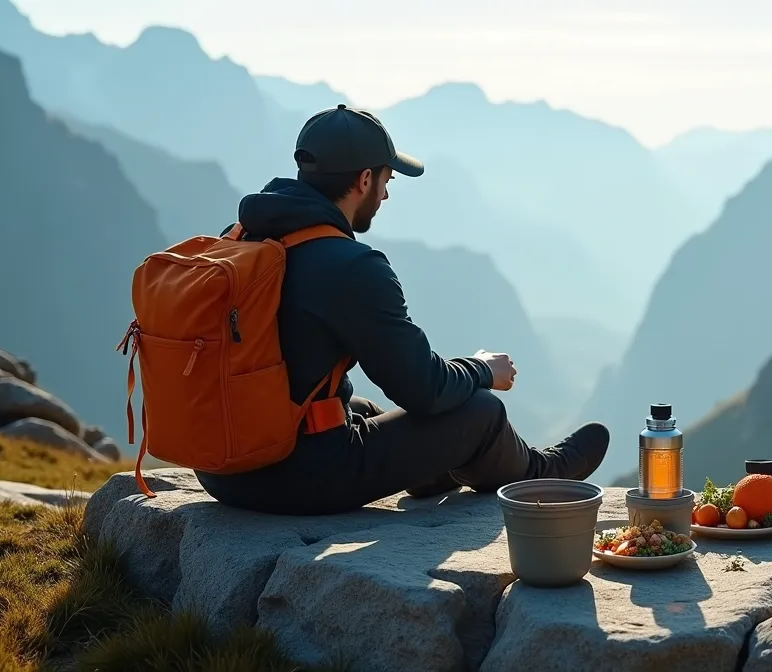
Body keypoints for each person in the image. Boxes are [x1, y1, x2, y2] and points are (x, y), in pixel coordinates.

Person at [193, 104, 610, 515]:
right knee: (481, 411)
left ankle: (437, 470)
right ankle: (541, 474)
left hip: (222, 467)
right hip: (297, 478)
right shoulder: (351, 266)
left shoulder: (241, 240)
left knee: (360, 410)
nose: (387, 193)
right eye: (387, 179)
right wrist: (483, 368)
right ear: (365, 179)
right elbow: (424, 390)